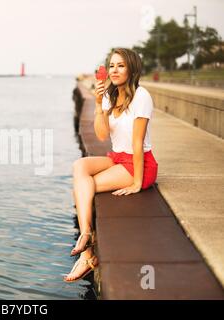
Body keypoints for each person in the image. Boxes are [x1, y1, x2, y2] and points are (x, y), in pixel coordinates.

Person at [64, 48, 158, 282]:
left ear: (132, 68)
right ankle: (86, 235)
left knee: (87, 186)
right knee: (80, 167)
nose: (114, 70)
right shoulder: (109, 95)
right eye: (112, 65)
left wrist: (137, 182)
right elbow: (102, 134)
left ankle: (87, 253)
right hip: (117, 157)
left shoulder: (141, 96)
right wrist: (98, 104)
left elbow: (137, 142)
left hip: (140, 164)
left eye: (121, 65)